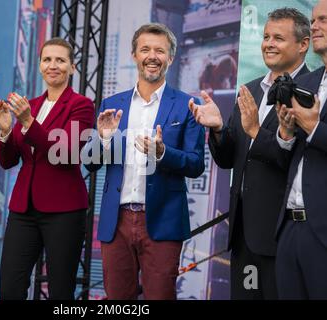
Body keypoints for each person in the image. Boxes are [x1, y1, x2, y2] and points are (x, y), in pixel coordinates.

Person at [188, 8, 310, 299]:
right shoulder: (251, 90)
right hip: (243, 235)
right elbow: (229, 159)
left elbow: (295, 158)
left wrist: (257, 130)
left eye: (278, 38)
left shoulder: (311, 91)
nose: (268, 44)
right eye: (266, 36)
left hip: (286, 234)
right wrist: (218, 129)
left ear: (303, 44)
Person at [84, 23, 205, 300]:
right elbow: (89, 164)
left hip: (163, 220)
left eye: (160, 50)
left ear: (170, 58)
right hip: (117, 223)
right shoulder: (112, 104)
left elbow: (196, 164)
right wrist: (103, 139)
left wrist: (163, 153)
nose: (152, 56)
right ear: (134, 55)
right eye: (145, 49)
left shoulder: (187, 105)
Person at [0, 37, 94, 300]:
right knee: (10, 287)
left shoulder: (81, 105)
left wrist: (27, 120)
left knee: (61, 289)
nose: (53, 65)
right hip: (23, 208)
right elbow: (8, 161)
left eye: (60, 60)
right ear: (39, 66)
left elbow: (68, 153)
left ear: (72, 67)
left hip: (64, 208)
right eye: (47, 60)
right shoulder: (33, 104)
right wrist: (5, 132)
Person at [274, 0, 327, 299]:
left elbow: (314, 131)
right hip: (289, 229)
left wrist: (314, 127)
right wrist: (286, 132)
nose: (314, 26)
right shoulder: (305, 82)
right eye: (313, 19)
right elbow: (287, 154)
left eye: (323, 20)